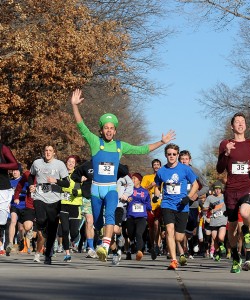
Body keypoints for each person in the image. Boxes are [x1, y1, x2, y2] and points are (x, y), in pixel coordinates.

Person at [71, 88, 176, 262]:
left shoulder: (120, 146)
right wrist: (75, 106)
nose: (109, 131)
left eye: (112, 128)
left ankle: (104, 246)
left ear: (115, 130)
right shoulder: (95, 142)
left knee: (110, 215)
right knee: (97, 223)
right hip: (96, 189)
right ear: (101, 130)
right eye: (106, 128)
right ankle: (105, 239)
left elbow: (142, 149)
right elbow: (81, 126)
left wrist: (162, 142)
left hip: (111, 189)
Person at [216, 112, 250, 273]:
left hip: (246, 187)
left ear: (246, 125)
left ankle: (246, 232)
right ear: (232, 126)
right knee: (231, 227)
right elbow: (219, 169)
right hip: (231, 190)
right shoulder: (225, 143)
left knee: (245, 212)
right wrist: (226, 154)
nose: (240, 124)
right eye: (237, 122)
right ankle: (236, 257)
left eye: (242, 121)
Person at [153, 143, 199, 270]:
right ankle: (173, 260)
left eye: (174, 154)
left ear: (177, 155)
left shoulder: (185, 169)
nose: (171, 156)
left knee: (179, 236)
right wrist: (156, 195)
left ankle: (180, 251)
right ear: (165, 155)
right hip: (167, 204)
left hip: (182, 206)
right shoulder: (162, 171)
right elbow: (157, 186)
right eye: (169, 154)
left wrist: (188, 197)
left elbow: (195, 185)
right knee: (169, 230)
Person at [28, 144, 70, 264]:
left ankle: (48, 255)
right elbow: (31, 176)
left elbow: (67, 183)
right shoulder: (37, 163)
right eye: (46, 150)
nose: (47, 153)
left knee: (52, 230)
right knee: (41, 219)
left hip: (55, 200)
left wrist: (56, 180)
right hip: (39, 196)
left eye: (50, 151)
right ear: (43, 152)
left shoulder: (60, 164)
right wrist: (31, 184)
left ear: (54, 153)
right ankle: (41, 229)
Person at [177, 150, 209, 265]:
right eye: (182, 159)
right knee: (180, 227)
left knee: (191, 227)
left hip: (193, 204)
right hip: (179, 204)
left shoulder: (195, 171)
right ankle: (182, 250)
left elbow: (206, 187)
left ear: (190, 160)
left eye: (186, 159)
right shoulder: (175, 170)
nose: (184, 161)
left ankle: (191, 240)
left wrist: (197, 194)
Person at [60, 155, 82, 262]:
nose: (70, 163)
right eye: (69, 161)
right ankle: (67, 253)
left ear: (75, 164)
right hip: (63, 204)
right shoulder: (61, 173)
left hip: (75, 204)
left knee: (73, 232)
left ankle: (74, 239)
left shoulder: (78, 175)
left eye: (72, 162)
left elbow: (82, 189)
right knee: (64, 230)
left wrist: (76, 192)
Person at [126, 173, 151, 261]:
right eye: (132, 178)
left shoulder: (145, 191)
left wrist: (149, 209)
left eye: (134, 178)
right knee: (131, 235)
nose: (132, 180)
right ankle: (131, 247)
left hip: (141, 216)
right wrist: (127, 199)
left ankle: (139, 251)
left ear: (139, 180)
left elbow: (148, 203)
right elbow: (123, 198)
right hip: (130, 216)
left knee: (139, 233)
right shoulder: (128, 190)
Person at [141, 159, 162, 260]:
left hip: (160, 205)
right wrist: (151, 185)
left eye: (158, 164)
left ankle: (157, 245)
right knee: (151, 227)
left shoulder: (164, 176)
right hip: (149, 205)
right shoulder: (147, 177)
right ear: (152, 166)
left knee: (157, 224)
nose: (156, 166)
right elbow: (142, 190)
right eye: (155, 164)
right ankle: (153, 244)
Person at [0, 143, 18, 254]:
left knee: (1, 218)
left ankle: (2, 243)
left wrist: (0, 165)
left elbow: (14, 164)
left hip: (2, 187)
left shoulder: (3, 148)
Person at [203, 181, 227, 262]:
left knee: (220, 237)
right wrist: (210, 208)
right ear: (213, 190)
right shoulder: (210, 198)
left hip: (223, 220)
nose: (217, 191)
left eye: (219, 189)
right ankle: (218, 253)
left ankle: (222, 245)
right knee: (215, 239)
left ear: (221, 189)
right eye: (216, 189)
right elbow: (204, 208)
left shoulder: (225, 196)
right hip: (213, 221)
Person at [6, 164, 27, 255]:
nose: (14, 172)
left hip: (23, 206)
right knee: (13, 221)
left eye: (16, 170)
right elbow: (6, 194)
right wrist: (8, 203)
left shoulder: (24, 181)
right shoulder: (9, 182)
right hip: (14, 205)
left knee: (21, 227)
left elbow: (29, 192)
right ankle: (10, 243)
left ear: (20, 171)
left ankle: (22, 239)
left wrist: (22, 193)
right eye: (13, 170)